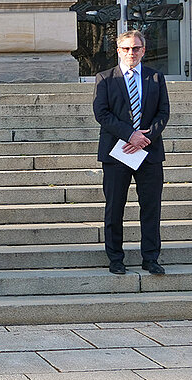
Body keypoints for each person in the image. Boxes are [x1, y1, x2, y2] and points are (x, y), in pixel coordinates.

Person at [92, 30, 169, 276]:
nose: (131, 53)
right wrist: (130, 135)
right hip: (117, 153)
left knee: (151, 207)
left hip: (149, 152)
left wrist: (144, 138)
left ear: (143, 50)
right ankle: (116, 258)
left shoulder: (155, 78)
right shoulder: (105, 78)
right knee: (115, 207)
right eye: (126, 49)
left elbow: (163, 113)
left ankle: (151, 258)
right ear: (118, 51)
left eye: (136, 48)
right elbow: (102, 113)